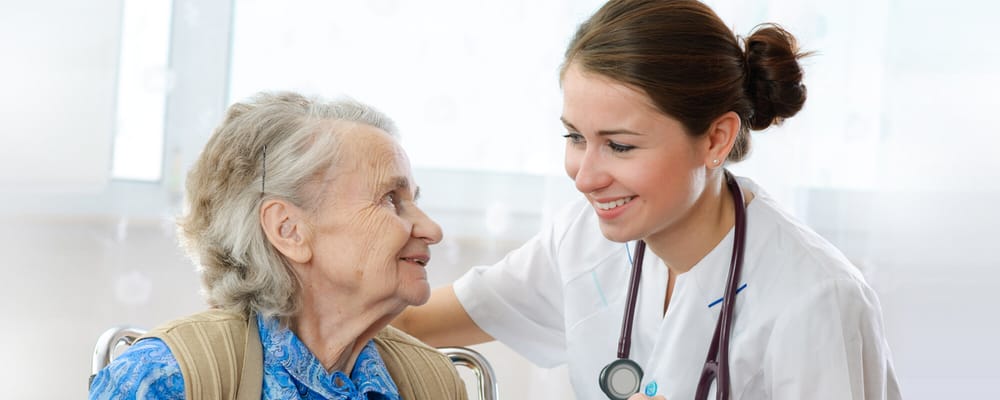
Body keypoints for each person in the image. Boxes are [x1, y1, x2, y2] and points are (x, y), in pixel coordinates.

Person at [392, 1, 901, 399]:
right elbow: (409, 321)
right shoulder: (584, 240)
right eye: (575, 138)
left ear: (716, 139)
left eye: (620, 145)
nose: (585, 177)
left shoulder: (814, 298)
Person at [89, 92, 467, 399]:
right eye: (390, 199)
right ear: (289, 230)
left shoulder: (434, 384)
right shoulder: (166, 379)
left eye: (414, 200)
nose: (431, 229)